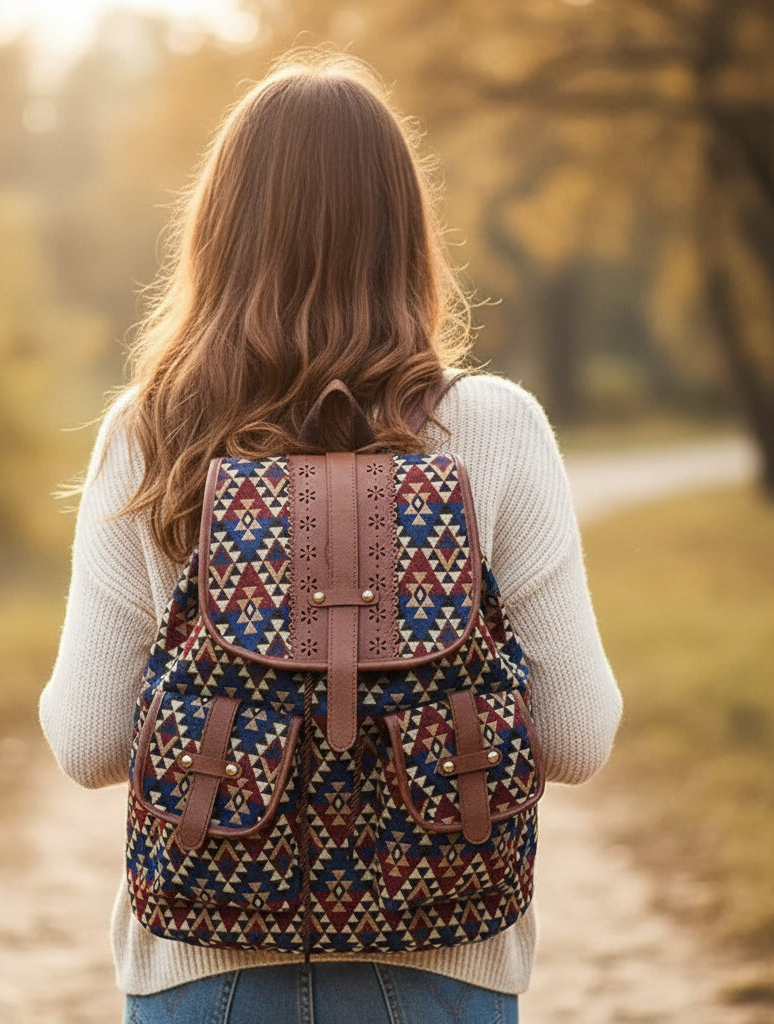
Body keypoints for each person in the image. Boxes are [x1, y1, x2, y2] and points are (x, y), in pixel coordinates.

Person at [40, 50, 622, 1024]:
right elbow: (577, 736)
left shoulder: (151, 430)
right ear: (408, 234)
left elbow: (88, 741)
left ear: (218, 234)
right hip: (443, 960)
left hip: (204, 963)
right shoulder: (497, 427)